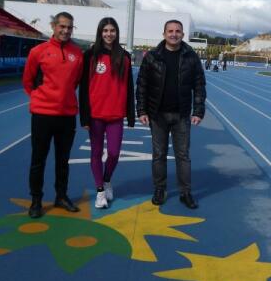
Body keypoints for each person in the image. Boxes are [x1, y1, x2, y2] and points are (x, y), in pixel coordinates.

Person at [136, 19, 206, 209]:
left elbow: (199, 85)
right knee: (159, 155)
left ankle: (185, 192)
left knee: (183, 156)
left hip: (181, 115)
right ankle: (160, 189)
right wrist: (141, 110)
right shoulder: (152, 56)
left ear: (183, 34)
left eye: (177, 31)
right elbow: (142, 85)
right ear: (164, 33)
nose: (174, 34)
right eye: (170, 31)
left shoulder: (191, 57)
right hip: (157, 115)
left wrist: (198, 111)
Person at [23, 11, 83, 219]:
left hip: (66, 116)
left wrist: (63, 100)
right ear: (54, 26)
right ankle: (36, 201)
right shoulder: (38, 52)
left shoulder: (78, 54)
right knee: (38, 159)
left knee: (62, 159)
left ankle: (61, 196)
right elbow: (28, 81)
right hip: (43, 115)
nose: (65, 30)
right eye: (62, 26)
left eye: (69, 27)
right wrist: (43, 99)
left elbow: (75, 82)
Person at [79, 17, 135, 209]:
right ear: (100, 32)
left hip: (116, 115)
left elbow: (129, 87)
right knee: (95, 153)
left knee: (113, 153)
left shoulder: (125, 57)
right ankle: (100, 192)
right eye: (105, 30)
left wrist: (131, 114)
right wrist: (84, 116)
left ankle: (107, 179)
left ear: (117, 33)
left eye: (112, 30)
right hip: (95, 115)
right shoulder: (90, 55)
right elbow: (84, 88)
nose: (109, 34)